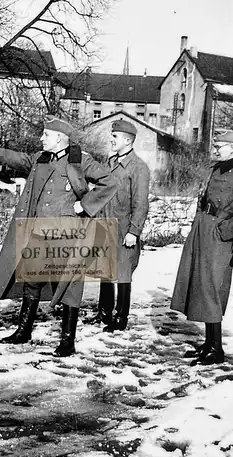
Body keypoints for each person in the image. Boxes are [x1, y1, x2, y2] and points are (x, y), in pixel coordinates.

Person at [0, 116, 117, 357]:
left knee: (69, 286)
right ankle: (23, 331)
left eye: (45, 135)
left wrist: (85, 205)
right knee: (32, 281)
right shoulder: (40, 159)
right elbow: (12, 157)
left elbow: (109, 182)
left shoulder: (80, 161)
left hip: (68, 235)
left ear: (59, 138)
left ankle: (67, 341)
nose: (41, 138)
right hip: (38, 232)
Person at [171, 130, 233, 365]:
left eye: (221, 145)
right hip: (203, 229)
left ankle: (216, 349)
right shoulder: (216, 168)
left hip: (220, 236)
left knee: (212, 290)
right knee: (199, 286)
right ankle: (208, 343)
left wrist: (224, 231)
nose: (216, 148)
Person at [85, 119, 150, 332]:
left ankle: (121, 317)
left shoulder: (139, 167)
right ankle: (104, 312)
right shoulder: (110, 163)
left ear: (128, 140)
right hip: (105, 223)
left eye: (115, 137)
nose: (111, 140)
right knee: (105, 269)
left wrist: (134, 231)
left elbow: (141, 203)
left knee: (123, 272)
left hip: (124, 228)